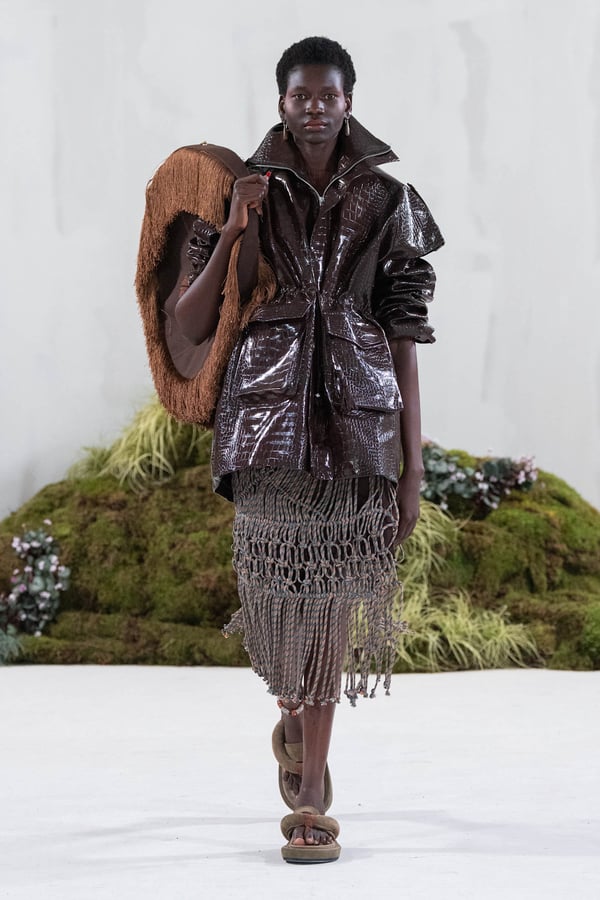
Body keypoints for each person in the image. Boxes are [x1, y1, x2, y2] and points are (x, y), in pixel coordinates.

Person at [172, 36, 444, 863]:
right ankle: (291, 711)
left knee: (327, 606)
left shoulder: (390, 200)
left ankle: (314, 795)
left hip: (359, 422)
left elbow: (404, 339)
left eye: (329, 95)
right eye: (301, 95)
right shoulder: (240, 189)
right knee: (278, 601)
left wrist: (412, 469)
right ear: (282, 102)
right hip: (263, 421)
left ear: (349, 100)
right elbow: (189, 321)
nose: (315, 107)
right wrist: (234, 228)